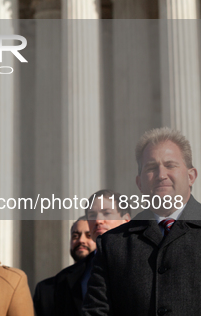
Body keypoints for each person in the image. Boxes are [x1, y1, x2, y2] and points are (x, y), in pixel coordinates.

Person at [83, 127, 201, 316]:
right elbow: (97, 311)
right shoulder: (113, 243)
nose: (161, 174)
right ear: (139, 183)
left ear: (191, 176)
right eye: (151, 168)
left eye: (170, 165)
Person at [53, 190, 130, 316]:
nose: (98, 221)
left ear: (126, 220)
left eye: (106, 213)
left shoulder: (148, 263)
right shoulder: (65, 278)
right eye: (92, 215)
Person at [33, 216, 96, 316]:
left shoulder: (110, 282)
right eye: (75, 236)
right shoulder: (46, 290)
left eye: (89, 235)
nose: (81, 240)